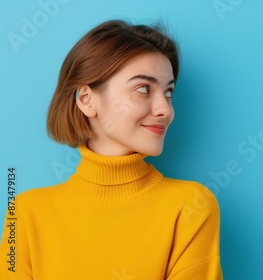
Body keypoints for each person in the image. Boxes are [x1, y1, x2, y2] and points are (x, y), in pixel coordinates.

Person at [0, 19, 223, 279]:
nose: (165, 109)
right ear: (86, 100)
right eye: (143, 89)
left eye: (168, 92)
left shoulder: (191, 206)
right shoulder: (24, 213)